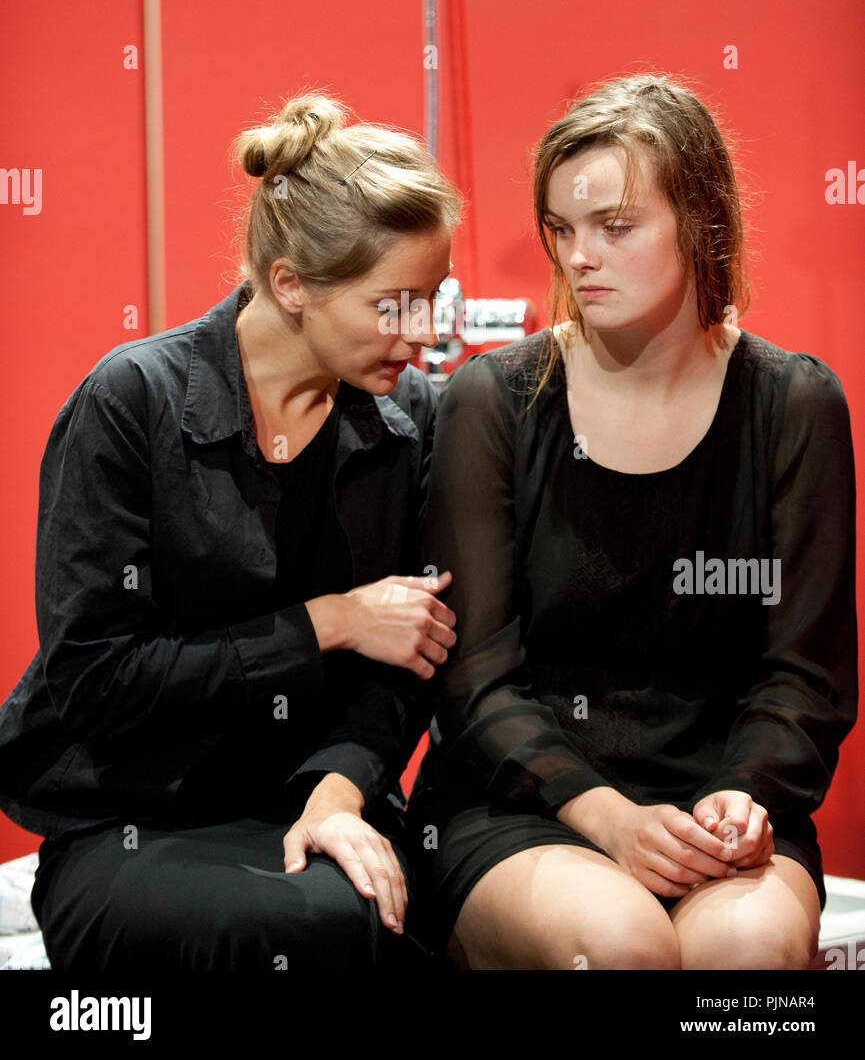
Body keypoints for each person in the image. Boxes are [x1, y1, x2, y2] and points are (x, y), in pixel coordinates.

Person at [0, 91, 462, 970]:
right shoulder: (132, 402)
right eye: (394, 305)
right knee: (283, 930)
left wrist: (336, 794)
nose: (425, 333)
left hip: (314, 794)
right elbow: (97, 681)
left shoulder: (408, 420)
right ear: (288, 283)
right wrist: (328, 621)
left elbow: (411, 663)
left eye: (431, 300)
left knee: (392, 921)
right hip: (133, 813)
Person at [406, 74, 857, 970]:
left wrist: (737, 799)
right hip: (527, 803)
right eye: (561, 229)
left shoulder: (793, 402)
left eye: (614, 227)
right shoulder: (489, 401)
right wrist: (603, 815)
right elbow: (475, 684)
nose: (578, 257)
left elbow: (805, 676)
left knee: (748, 952)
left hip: (719, 801)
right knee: (621, 946)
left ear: (702, 223)